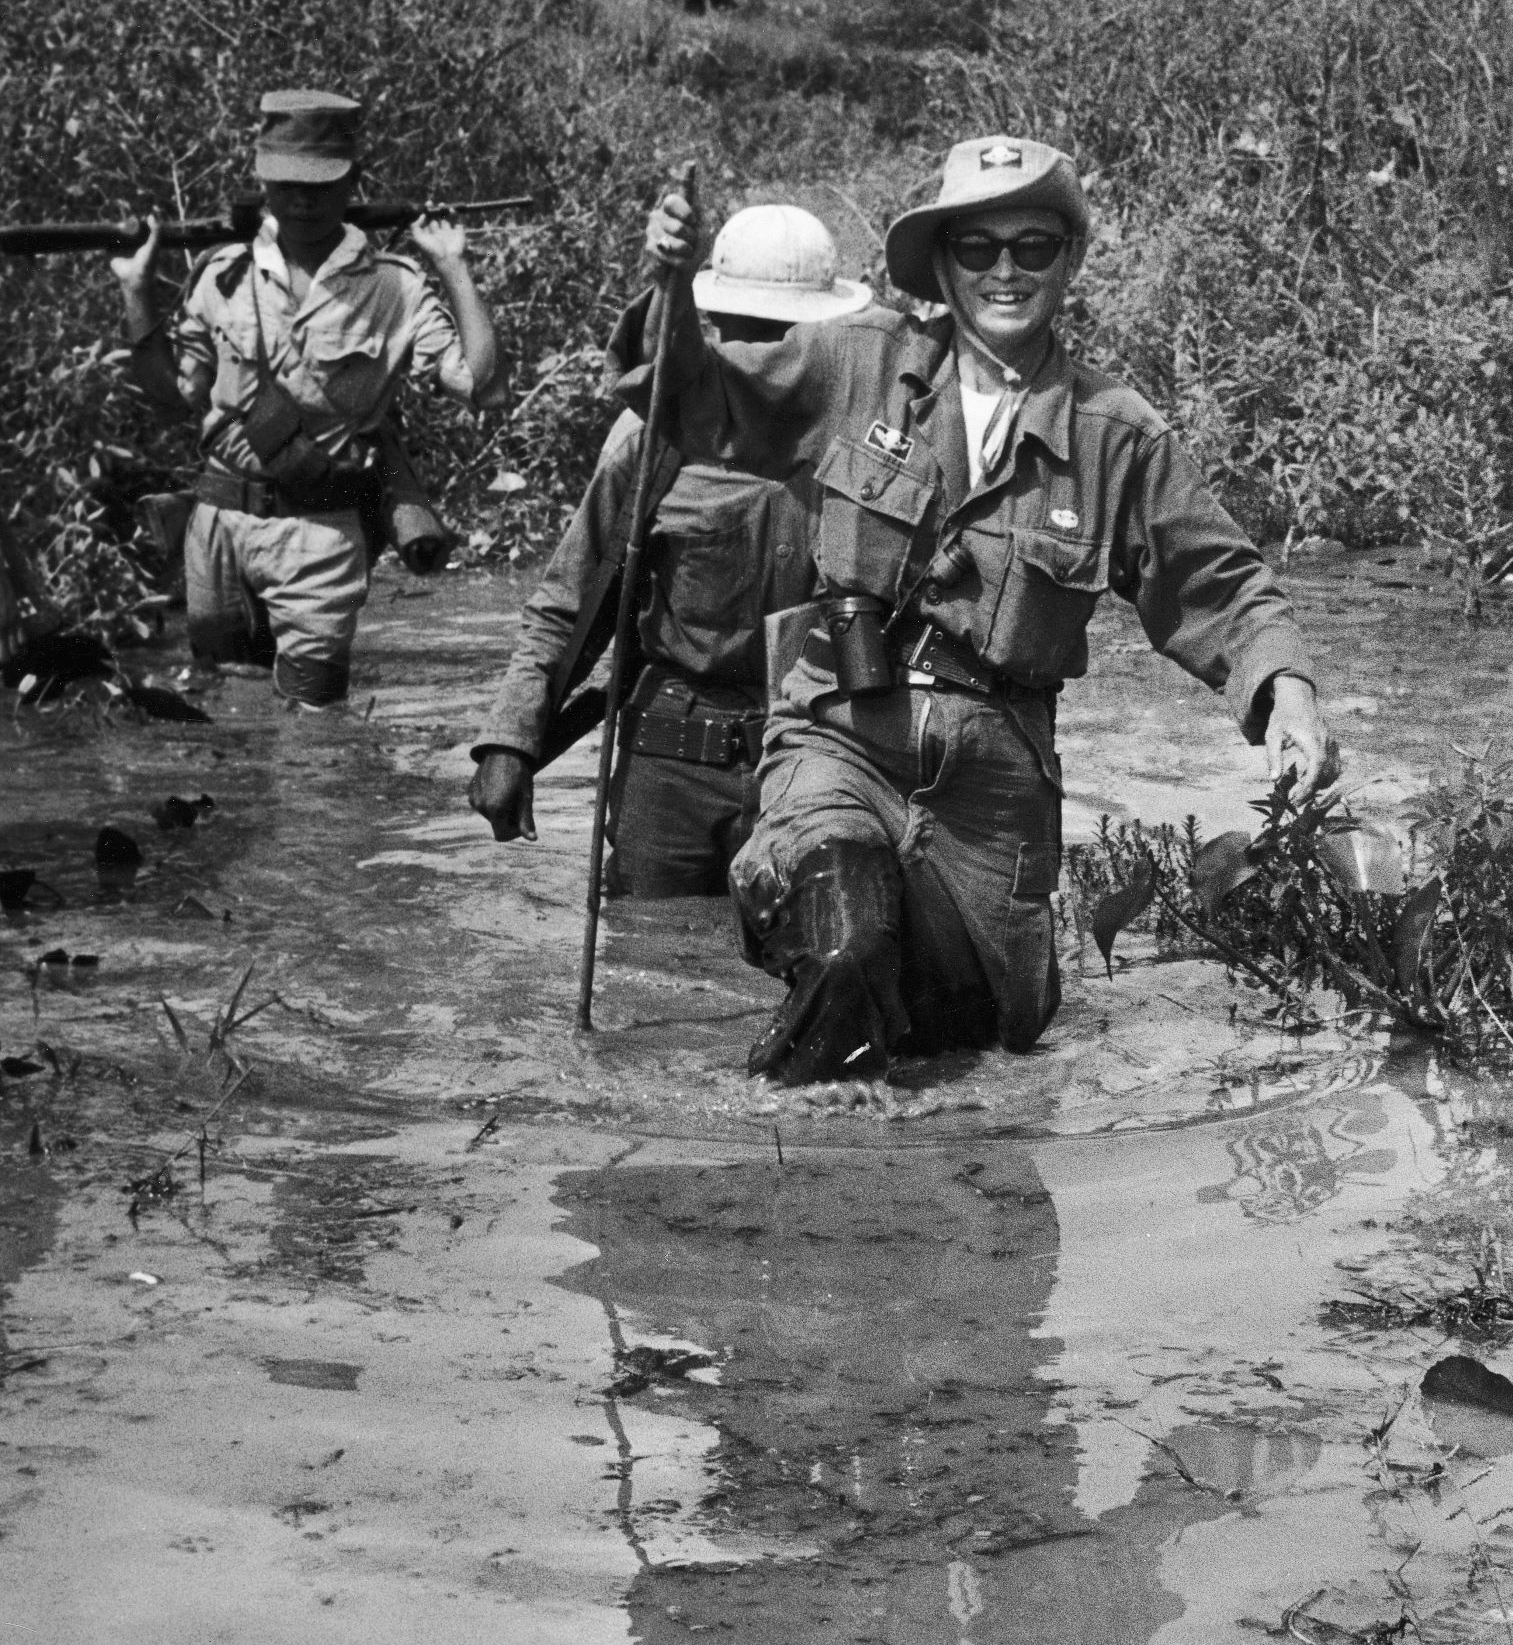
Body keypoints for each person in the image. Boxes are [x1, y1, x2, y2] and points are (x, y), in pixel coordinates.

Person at [633, 136, 1338, 1082]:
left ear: (1070, 260)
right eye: (978, 249)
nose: (1005, 271)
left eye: (1033, 246)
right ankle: (789, 1172)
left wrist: (1286, 692)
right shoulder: (860, 361)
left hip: (994, 790)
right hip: (840, 738)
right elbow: (703, 401)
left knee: (977, 1042)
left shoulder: (1115, 433)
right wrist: (670, 289)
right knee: (846, 945)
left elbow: (1221, 586)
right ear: (943, 264)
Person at [469, 205, 869, 896]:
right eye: (747, 332)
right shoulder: (650, 440)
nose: (761, 356)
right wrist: (511, 741)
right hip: (672, 761)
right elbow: (569, 600)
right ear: (712, 325)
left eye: (782, 336)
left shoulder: (867, 442)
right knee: (646, 961)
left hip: (819, 753)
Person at [111, 89, 499, 707]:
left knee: (316, 732)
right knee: (227, 712)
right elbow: (170, 397)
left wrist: (454, 267)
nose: (302, 199)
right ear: (262, 180)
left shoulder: (393, 287)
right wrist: (137, 295)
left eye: (320, 183)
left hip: (319, 535)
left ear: (353, 183)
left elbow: (478, 385)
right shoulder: (221, 274)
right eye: (286, 182)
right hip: (218, 528)